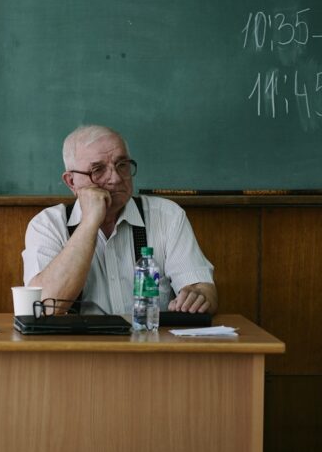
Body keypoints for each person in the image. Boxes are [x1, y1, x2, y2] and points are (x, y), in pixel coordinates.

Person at [22, 125, 216, 315]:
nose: (115, 178)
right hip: (78, 345)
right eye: (98, 170)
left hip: (150, 343)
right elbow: (45, 308)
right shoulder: (47, 225)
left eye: (122, 165)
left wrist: (199, 296)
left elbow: (204, 289)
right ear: (71, 182)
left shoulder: (167, 216)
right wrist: (90, 222)